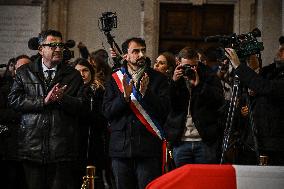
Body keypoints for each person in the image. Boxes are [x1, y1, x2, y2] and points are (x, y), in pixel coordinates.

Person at [8, 29, 85, 189]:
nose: (58, 49)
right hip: (32, 146)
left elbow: (80, 106)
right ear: (41, 49)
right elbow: (14, 100)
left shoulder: (73, 75)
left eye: (60, 45)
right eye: (52, 45)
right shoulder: (25, 72)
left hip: (61, 148)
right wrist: (43, 101)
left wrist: (62, 99)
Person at [102, 37, 170, 189]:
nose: (141, 55)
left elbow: (165, 110)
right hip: (121, 149)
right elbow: (107, 112)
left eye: (143, 50)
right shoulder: (114, 79)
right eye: (136, 51)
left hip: (148, 150)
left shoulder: (158, 78)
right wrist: (124, 98)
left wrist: (147, 94)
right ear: (125, 56)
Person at [164, 47, 224, 167]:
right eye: (186, 66)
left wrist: (199, 85)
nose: (190, 69)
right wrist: (174, 83)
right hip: (180, 141)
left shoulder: (209, 75)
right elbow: (166, 105)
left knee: (204, 182)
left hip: (205, 141)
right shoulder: (171, 75)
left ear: (198, 62)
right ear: (178, 62)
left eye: (193, 66)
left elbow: (218, 101)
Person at [225, 47, 284, 165]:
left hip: (273, 142)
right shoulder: (272, 70)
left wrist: (239, 66)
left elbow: (266, 87)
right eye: (279, 47)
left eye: (283, 49)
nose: (279, 50)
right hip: (254, 136)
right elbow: (257, 81)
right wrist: (252, 64)